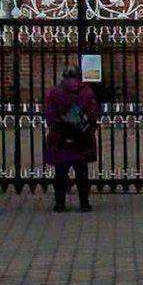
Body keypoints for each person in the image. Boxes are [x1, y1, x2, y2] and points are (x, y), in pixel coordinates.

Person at [43, 65, 99, 212]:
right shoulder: (86, 92)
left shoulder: (54, 92)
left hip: (61, 137)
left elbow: (50, 116)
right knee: (82, 172)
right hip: (81, 137)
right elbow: (93, 114)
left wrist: (57, 129)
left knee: (60, 172)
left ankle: (60, 204)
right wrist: (89, 129)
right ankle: (84, 203)